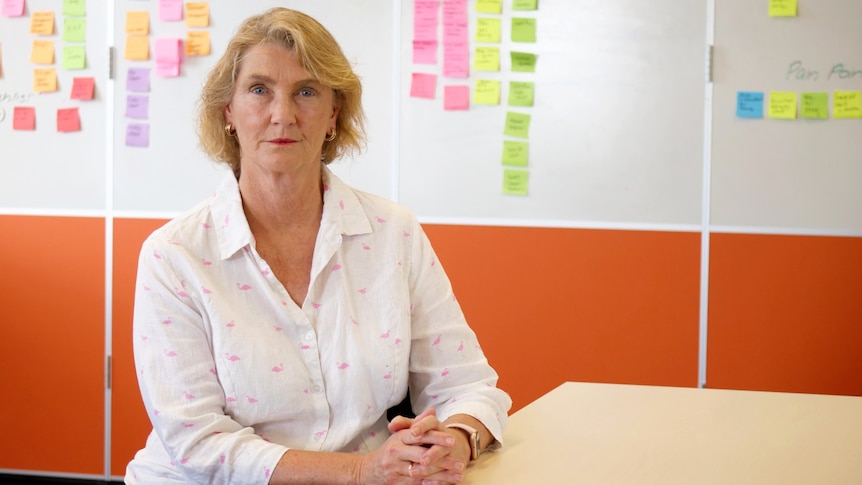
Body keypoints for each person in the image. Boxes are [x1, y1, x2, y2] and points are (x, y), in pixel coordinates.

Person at [125, 7, 511, 485]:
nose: (282, 114)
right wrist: (360, 471)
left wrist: (455, 439)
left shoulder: (393, 233)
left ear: (333, 114)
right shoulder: (175, 255)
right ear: (228, 111)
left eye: (306, 92)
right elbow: (196, 441)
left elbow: (468, 384)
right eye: (259, 89)